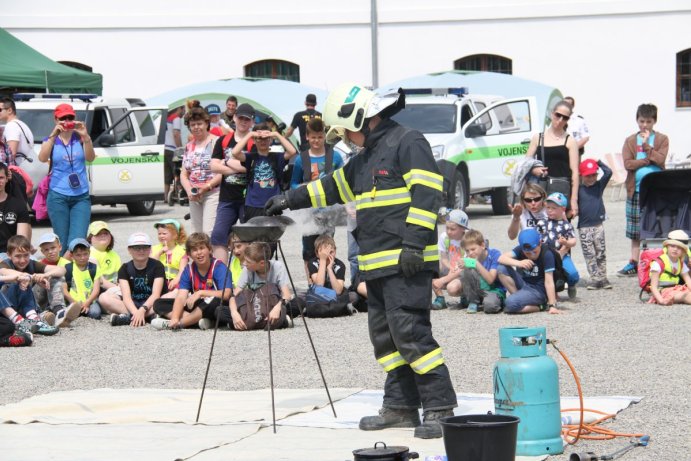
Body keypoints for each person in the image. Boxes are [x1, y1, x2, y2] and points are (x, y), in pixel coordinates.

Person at [264, 83, 457, 439]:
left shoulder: (408, 142)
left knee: (411, 334)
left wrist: (414, 245)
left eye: (345, 130)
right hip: (376, 264)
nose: (346, 138)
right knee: (385, 339)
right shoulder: (365, 158)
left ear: (361, 118)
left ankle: (440, 406)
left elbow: (428, 193)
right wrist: (288, 199)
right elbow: (330, 187)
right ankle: (400, 406)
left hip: (406, 261)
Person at [289, 118, 345, 282]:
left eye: (320, 137)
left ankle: (329, 281)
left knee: (327, 246)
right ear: (307, 136)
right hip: (308, 213)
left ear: (325, 137)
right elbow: (293, 183)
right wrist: (303, 188)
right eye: (313, 137)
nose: (316, 141)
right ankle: (311, 284)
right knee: (308, 250)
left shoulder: (335, 156)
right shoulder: (301, 159)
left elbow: (343, 179)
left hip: (329, 211)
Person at [618, 103, 669, 276]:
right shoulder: (630, 141)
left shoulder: (662, 139)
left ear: (654, 121)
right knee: (635, 229)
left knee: (657, 226)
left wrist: (647, 146)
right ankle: (633, 262)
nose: (644, 125)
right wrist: (647, 160)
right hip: (636, 190)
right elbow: (628, 163)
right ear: (637, 120)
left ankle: (658, 261)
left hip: (656, 190)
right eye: (641, 121)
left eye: (648, 121)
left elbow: (660, 160)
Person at [38, 103, 95, 255]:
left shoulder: (80, 138)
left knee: (78, 239)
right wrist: (53, 134)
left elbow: (90, 158)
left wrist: (86, 136)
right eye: (63, 118)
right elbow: (42, 158)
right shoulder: (50, 139)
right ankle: (65, 275)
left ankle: (74, 273)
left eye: (70, 117)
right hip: (58, 194)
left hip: (81, 195)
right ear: (56, 119)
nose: (67, 121)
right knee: (61, 240)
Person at [152, 232, 232, 331]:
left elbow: (227, 294)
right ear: (189, 254)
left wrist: (200, 293)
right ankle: (197, 321)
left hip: (215, 305)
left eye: (202, 248)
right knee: (159, 303)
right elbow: (181, 296)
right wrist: (175, 317)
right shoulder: (188, 269)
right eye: (194, 250)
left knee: (213, 300)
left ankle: (180, 324)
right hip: (197, 307)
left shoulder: (219, 267)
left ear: (210, 249)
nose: (199, 252)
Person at [209, 102, 255, 262]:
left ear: (252, 122)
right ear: (234, 117)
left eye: (247, 119)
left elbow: (253, 167)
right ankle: (222, 278)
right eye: (240, 118)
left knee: (249, 237)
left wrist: (227, 162)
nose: (243, 122)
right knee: (218, 235)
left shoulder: (254, 142)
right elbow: (213, 166)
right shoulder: (223, 140)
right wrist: (238, 166)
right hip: (227, 198)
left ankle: (248, 273)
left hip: (248, 198)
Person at [231, 121, 296, 222]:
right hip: (252, 204)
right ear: (254, 140)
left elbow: (292, 151)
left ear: (270, 140)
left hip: (273, 204)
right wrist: (251, 134)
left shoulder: (277, 157)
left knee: (272, 236)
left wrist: (276, 134)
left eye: (266, 138)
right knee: (253, 236)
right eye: (259, 138)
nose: (263, 141)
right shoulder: (250, 157)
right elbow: (235, 153)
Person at [524, 100, 580, 217]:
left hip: (560, 193)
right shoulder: (537, 138)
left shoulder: (570, 141)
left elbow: (575, 172)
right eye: (558, 115)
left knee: (560, 231)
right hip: (540, 192)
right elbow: (526, 164)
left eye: (565, 118)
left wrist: (574, 200)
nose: (560, 120)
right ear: (552, 114)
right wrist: (534, 170)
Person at [99, 232, 165, 327]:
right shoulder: (124, 268)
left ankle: (128, 318)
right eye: (137, 248)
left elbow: (156, 294)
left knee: (172, 296)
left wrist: (142, 310)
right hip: (133, 304)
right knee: (103, 298)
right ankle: (148, 317)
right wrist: (136, 312)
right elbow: (126, 297)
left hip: (152, 304)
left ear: (150, 249)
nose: (141, 251)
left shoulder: (157, 266)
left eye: (145, 247)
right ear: (129, 250)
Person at [0, 235, 62, 335]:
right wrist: (31, 278)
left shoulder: (31, 264)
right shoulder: (4, 264)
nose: (23, 260)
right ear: (9, 255)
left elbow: (61, 270)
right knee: (20, 282)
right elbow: (8, 273)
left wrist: (43, 275)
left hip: (25, 303)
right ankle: (34, 318)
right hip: (7, 306)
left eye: (26, 255)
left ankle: (57, 310)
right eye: (18, 256)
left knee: (55, 277)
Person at [497, 228, 562, 315]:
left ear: (540, 243)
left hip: (538, 290)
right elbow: (501, 258)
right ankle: (519, 298)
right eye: (527, 253)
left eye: (534, 251)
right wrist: (518, 263)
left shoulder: (547, 254)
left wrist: (552, 306)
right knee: (501, 268)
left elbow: (549, 282)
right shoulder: (521, 249)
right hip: (524, 283)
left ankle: (541, 306)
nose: (532, 255)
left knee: (509, 304)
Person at [230, 242, 292, 330]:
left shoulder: (278, 267)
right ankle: (279, 321)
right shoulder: (247, 270)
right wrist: (234, 313)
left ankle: (251, 323)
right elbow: (234, 296)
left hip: (273, 303)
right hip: (255, 305)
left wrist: (277, 308)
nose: (244, 264)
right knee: (220, 311)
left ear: (262, 263)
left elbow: (287, 295)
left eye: (248, 262)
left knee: (296, 304)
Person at [180, 105, 222, 235]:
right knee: (196, 235)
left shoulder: (217, 142)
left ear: (207, 123)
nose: (196, 127)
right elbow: (184, 173)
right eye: (192, 125)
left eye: (199, 124)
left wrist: (206, 187)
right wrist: (189, 190)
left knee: (208, 232)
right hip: (194, 195)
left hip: (212, 193)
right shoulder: (189, 146)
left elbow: (223, 172)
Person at [535, 192, 579, 299]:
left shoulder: (566, 225)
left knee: (572, 273)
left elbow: (573, 240)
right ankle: (552, 293)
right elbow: (536, 236)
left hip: (562, 255)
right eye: (548, 207)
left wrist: (566, 243)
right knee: (548, 273)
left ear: (563, 209)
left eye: (553, 208)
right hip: (546, 255)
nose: (549, 210)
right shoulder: (541, 223)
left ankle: (571, 284)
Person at [577, 159, 613, 290]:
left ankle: (603, 278)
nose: (591, 178)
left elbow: (608, 172)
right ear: (582, 175)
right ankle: (595, 279)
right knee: (589, 254)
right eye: (588, 175)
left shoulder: (599, 186)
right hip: (584, 227)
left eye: (594, 175)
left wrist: (599, 162)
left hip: (598, 225)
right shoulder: (578, 189)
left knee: (601, 252)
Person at [35, 232, 81, 325]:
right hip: (42, 296)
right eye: (46, 249)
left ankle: (55, 312)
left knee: (58, 277)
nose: (50, 251)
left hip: (62, 296)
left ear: (60, 247)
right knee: (53, 277)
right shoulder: (39, 264)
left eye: (53, 248)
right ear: (42, 252)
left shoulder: (68, 264)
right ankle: (57, 311)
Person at [459, 230, 505, 314]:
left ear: (483, 245)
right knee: (464, 272)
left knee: (490, 307)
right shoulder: (470, 257)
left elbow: (491, 280)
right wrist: (462, 266)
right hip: (479, 289)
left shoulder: (494, 254)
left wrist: (476, 263)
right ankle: (473, 301)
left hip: (493, 289)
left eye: (473, 249)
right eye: (467, 251)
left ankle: (493, 300)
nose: (470, 253)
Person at [431, 209, 469, 310]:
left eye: (452, 229)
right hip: (453, 267)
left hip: (465, 270)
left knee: (451, 288)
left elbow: (465, 266)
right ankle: (440, 298)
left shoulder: (468, 239)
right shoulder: (444, 237)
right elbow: (444, 259)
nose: (448, 231)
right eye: (447, 228)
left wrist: (443, 280)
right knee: (430, 270)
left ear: (463, 229)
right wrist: (451, 268)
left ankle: (466, 294)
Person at [63, 238, 102, 320]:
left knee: (95, 313)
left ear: (89, 253)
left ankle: (81, 311)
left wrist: (87, 303)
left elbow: (96, 290)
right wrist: (74, 302)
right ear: (71, 255)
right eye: (78, 255)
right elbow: (64, 290)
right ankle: (77, 311)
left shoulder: (94, 268)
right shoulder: (67, 268)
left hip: (90, 301)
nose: (82, 257)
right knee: (66, 310)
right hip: (73, 301)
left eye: (85, 254)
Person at [647, 237, 691, 305]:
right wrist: (661, 301)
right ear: (667, 247)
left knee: (686, 293)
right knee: (685, 295)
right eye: (672, 246)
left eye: (679, 248)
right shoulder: (659, 263)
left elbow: (688, 281)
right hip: (663, 291)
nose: (675, 249)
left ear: (683, 251)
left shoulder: (681, 263)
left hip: (676, 288)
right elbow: (653, 286)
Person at [0, 162, 31, 256]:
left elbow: (21, 241)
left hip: (10, 254)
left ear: (7, 179)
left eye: (1, 177)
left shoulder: (18, 204)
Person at [150, 218, 188, 294]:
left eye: (164, 233)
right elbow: (149, 264)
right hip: (157, 280)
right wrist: (160, 252)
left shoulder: (182, 251)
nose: (161, 236)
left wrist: (176, 280)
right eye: (159, 234)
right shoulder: (154, 249)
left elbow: (182, 270)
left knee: (178, 292)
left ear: (175, 235)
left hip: (174, 282)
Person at [87, 221, 121, 291]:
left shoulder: (114, 255)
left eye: (106, 233)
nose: (102, 235)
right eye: (98, 234)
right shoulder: (88, 255)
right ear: (90, 238)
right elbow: (101, 282)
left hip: (114, 288)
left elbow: (120, 277)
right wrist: (119, 290)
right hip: (98, 290)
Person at [0, 97, 34, 165]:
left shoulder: (11, 126)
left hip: (19, 169)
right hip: (27, 168)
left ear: (9, 110)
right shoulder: (21, 124)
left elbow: (11, 153)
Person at [164, 105, 184, 205]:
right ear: (179, 108)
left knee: (167, 175)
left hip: (164, 148)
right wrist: (180, 147)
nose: (184, 112)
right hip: (172, 149)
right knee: (178, 172)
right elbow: (176, 134)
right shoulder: (176, 119)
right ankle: (179, 194)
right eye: (183, 109)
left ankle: (165, 197)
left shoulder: (166, 118)